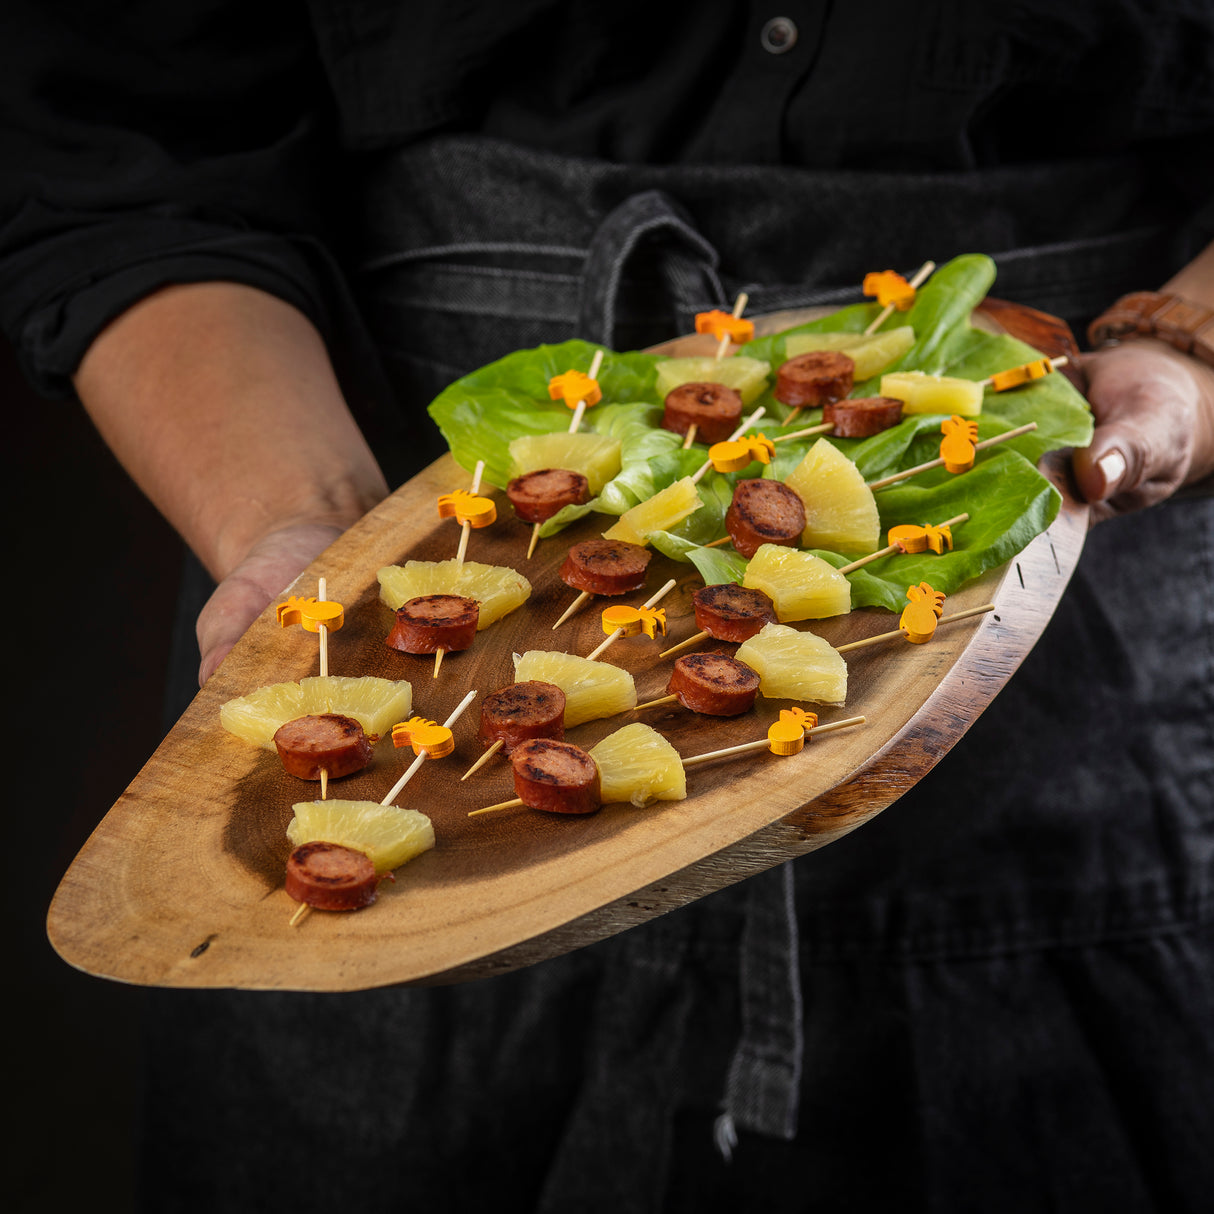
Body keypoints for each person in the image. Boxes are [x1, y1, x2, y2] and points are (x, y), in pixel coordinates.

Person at [3, 3, 1212, 1211]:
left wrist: (1191, 354)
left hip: (1064, 586)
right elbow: (129, 139)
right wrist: (292, 516)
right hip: (385, 465)